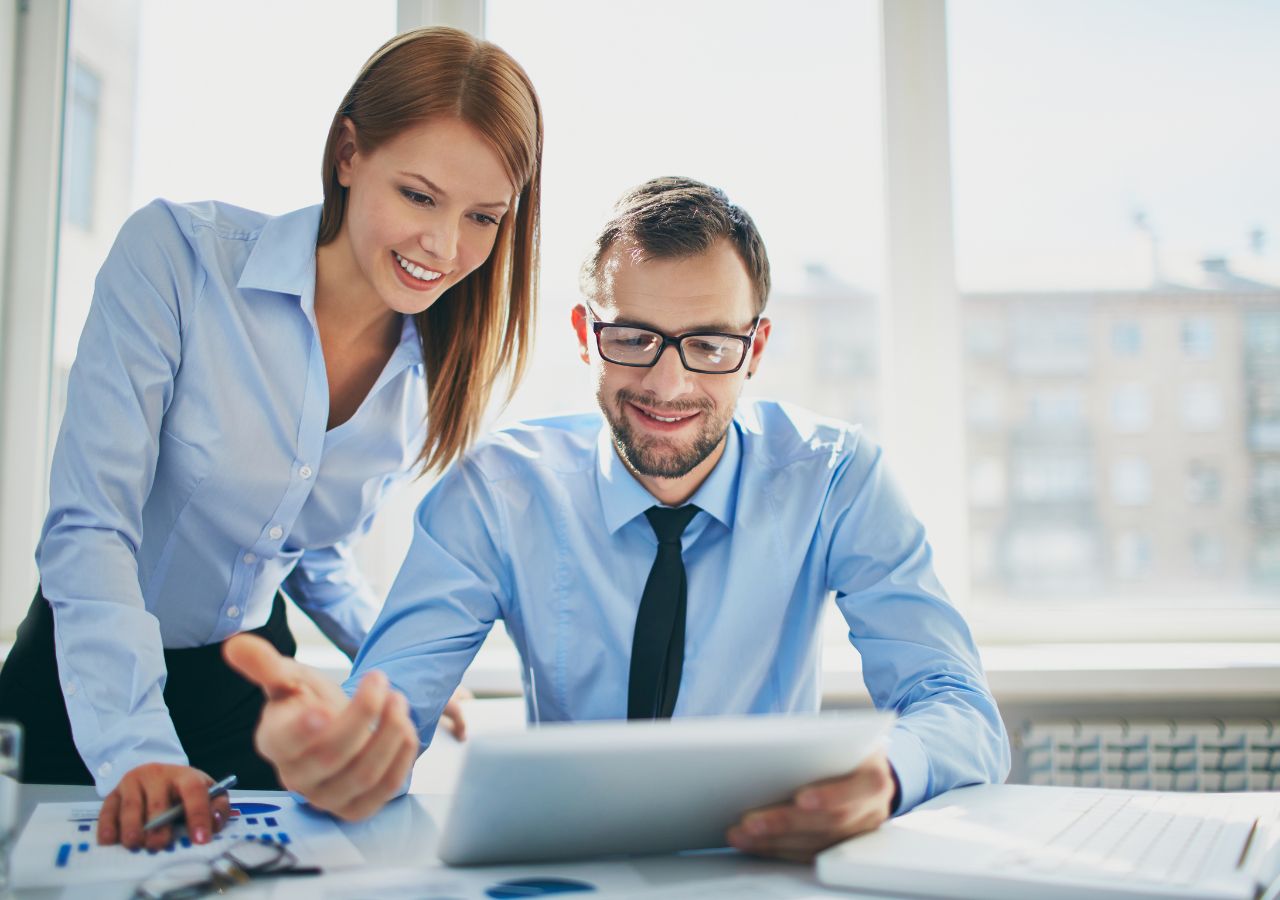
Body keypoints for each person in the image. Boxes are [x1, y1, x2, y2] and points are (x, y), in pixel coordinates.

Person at [227, 177, 1010, 861]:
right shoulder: (497, 491)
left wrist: (888, 772)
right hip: (570, 875)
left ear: (755, 347)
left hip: (765, 869)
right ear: (584, 337)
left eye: (707, 344)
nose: (667, 384)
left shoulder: (838, 479)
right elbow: (389, 710)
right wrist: (344, 754)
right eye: (633, 338)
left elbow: (957, 705)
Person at [0, 26, 542, 853]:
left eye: (483, 217)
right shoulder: (178, 261)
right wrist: (138, 751)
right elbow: (90, 528)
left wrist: (394, 667)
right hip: (89, 681)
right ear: (349, 154)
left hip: (246, 696)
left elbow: (307, 551)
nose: (445, 247)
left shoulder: (429, 368)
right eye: (420, 197)